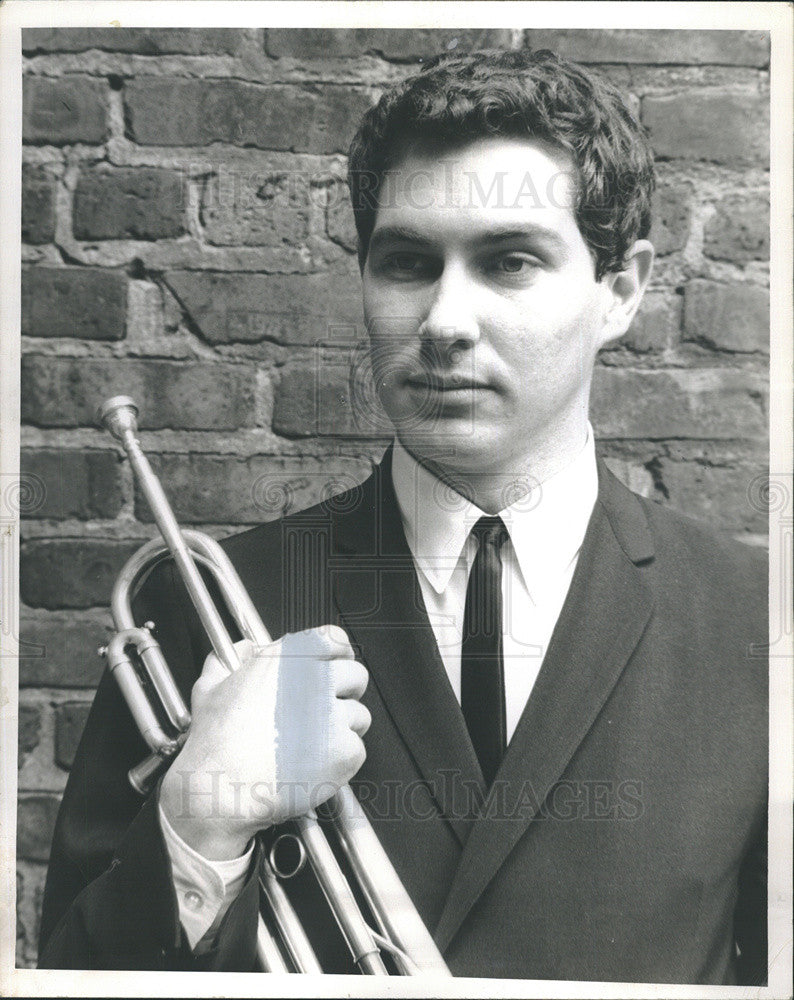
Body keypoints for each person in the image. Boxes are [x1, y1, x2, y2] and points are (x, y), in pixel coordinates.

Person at [37, 48, 767, 984]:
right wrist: (197, 819)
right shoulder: (207, 605)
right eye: (408, 263)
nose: (445, 320)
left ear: (620, 291)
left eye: (509, 262)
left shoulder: (757, 625)